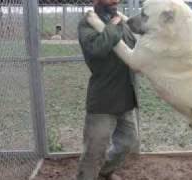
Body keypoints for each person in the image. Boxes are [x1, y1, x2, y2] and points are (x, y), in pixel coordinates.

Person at [76, 0, 138, 179]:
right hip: (103, 99)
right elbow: (97, 49)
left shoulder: (121, 20)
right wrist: (113, 26)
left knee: (127, 142)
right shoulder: (88, 23)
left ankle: (104, 173)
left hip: (126, 96)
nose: (115, 1)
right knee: (94, 152)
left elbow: (134, 45)